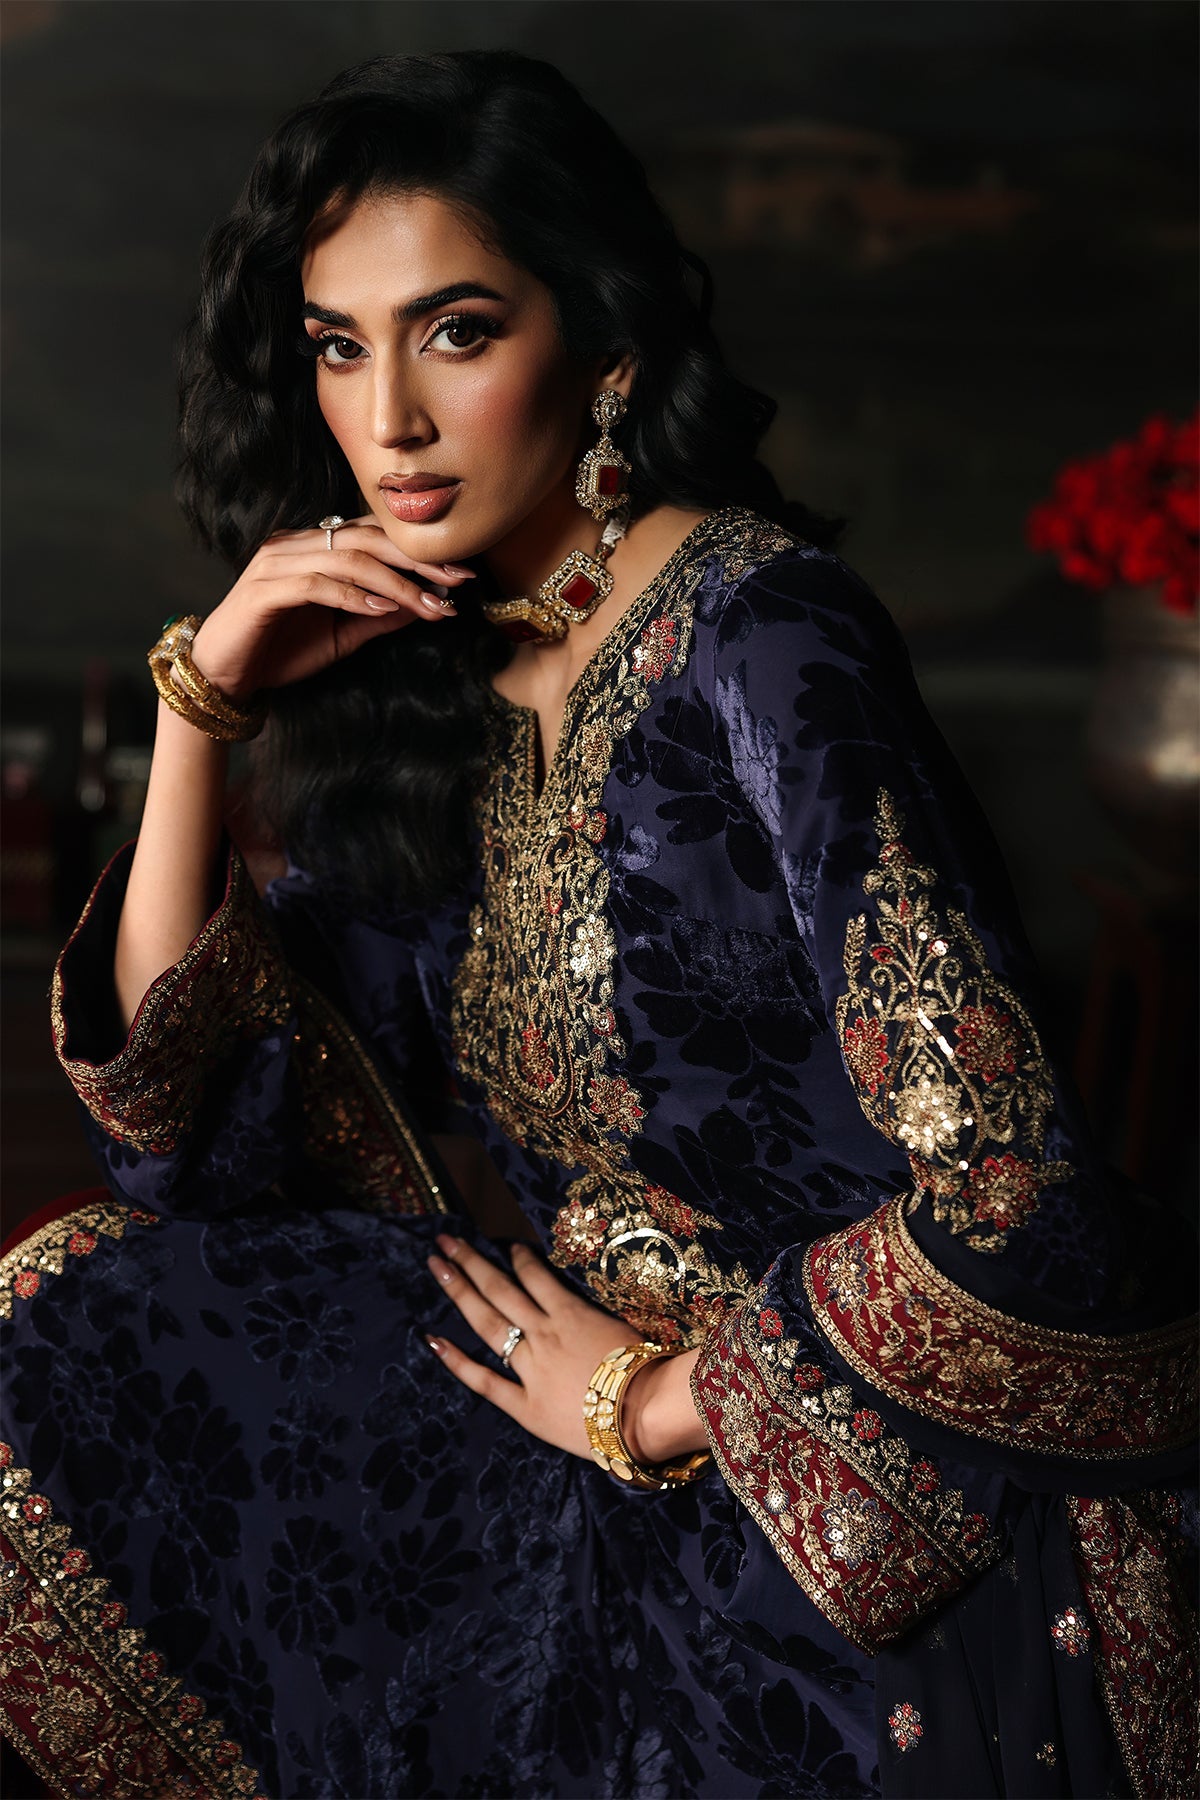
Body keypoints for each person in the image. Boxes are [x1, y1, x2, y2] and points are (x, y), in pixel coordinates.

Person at [0, 48, 1194, 1800]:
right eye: (340, 346)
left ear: (609, 349)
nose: (390, 422)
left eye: (455, 333)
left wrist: (652, 1402)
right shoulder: (438, 680)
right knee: (72, 1320)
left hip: (869, 1473)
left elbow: (1020, 1189)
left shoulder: (763, 638)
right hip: (590, 1417)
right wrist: (204, 705)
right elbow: (193, 1136)